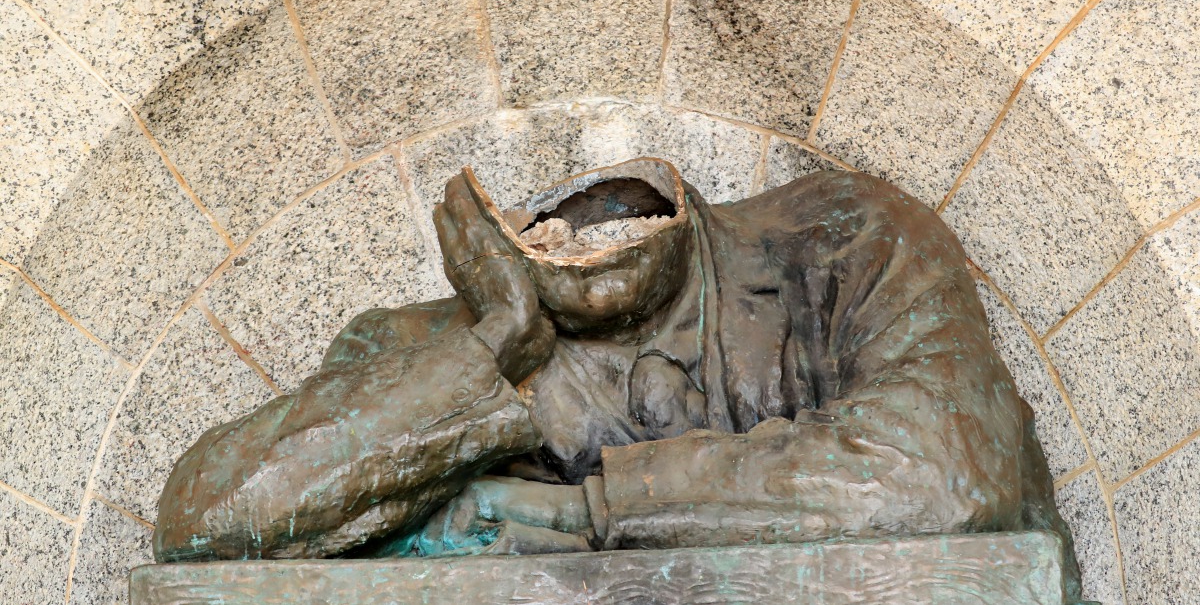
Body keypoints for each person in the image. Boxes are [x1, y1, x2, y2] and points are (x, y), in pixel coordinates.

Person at [154, 158, 1080, 599]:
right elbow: (203, 524)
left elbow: (947, 475)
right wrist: (499, 344)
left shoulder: (844, 239)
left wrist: (587, 510)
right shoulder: (428, 352)